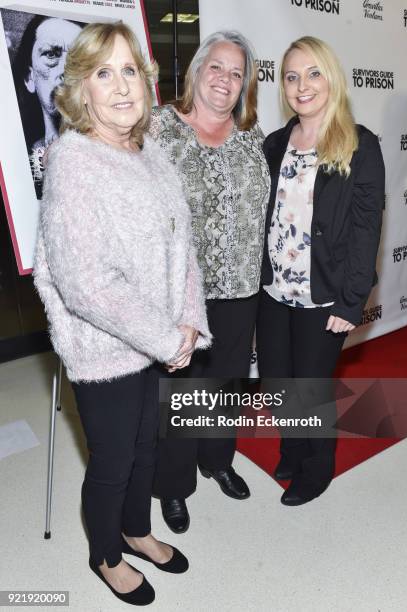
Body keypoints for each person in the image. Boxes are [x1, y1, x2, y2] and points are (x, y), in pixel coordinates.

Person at [33, 22, 211, 606]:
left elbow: (181, 244)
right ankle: (105, 553)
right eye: (101, 73)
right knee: (112, 460)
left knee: (147, 447)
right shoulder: (73, 162)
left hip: (159, 340)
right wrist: (166, 336)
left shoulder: (151, 152)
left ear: (147, 81)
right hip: (105, 347)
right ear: (80, 90)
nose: (119, 86)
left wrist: (188, 323)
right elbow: (86, 284)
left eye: (129, 70)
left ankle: (136, 531)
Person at [150, 31, 271, 532]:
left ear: (244, 86)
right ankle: (174, 486)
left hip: (241, 288)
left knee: (223, 384)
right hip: (181, 291)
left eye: (236, 72)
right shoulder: (159, 128)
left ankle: (218, 459)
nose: (225, 79)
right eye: (216, 67)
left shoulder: (252, 136)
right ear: (196, 71)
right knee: (182, 387)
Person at [256, 36, 385, 506]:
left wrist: (353, 300)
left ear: (331, 79)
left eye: (312, 74)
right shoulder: (274, 144)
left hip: (324, 296)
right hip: (273, 292)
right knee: (278, 381)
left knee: (311, 389)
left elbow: (366, 229)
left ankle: (317, 468)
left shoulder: (358, 144)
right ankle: (292, 448)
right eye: (291, 76)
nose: (301, 85)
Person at [11, 14, 83, 197]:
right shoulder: (16, 165)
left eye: (79, 59)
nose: (65, 71)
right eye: (51, 54)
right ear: (29, 77)